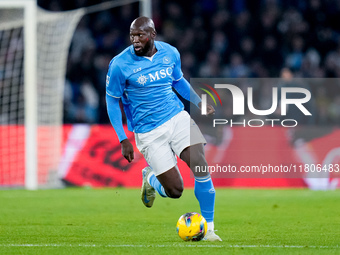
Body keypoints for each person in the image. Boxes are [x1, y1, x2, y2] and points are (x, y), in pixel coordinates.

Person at [106, 16, 222, 241]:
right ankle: (150, 179)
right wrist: (123, 138)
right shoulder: (120, 64)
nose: (135, 40)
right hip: (148, 131)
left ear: (152, 35)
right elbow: (112, 101)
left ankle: (209, 229)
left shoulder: (170, 53)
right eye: (132, 36)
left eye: (140, 35)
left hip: (177, 117)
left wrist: (199, 102)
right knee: (175, 191)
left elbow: (178, 81)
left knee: (200, 164)